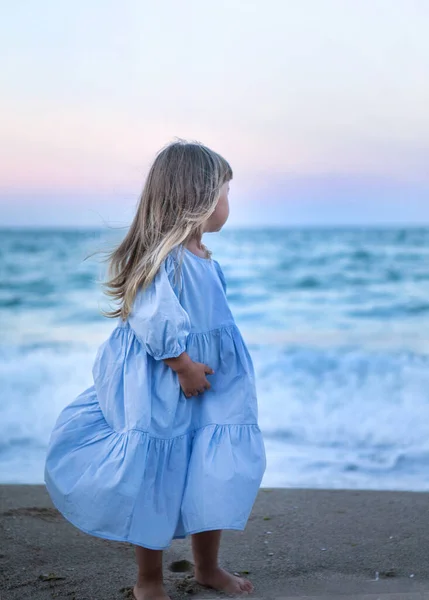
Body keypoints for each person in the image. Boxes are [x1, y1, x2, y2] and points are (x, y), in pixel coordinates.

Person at [44, 139, 266, 600]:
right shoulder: (166, 260)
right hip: (166, 382)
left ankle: (207, 566)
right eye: (225, 192)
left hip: (210, 383)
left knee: (210, 467)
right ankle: (149, 580)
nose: (229, 203)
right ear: (198, 198)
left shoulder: (204, 258)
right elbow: (152, 319)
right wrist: (183, 365)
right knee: (156, 470)